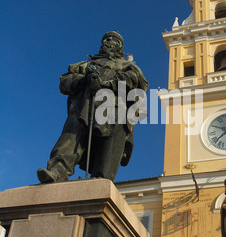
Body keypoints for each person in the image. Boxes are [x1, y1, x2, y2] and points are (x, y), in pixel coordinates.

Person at [37, 31, 149, 183]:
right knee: (71, 135)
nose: (108, 41)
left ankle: (102, 178)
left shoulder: (127, 66)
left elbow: (134, 83)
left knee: (111, 137)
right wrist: (84, 80)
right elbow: (65, 83)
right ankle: (58, 170)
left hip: (114, 108)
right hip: (84, 106)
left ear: (120, 47)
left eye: (112, 40)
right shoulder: (85, 65)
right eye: (106, 39)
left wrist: (106, 84)